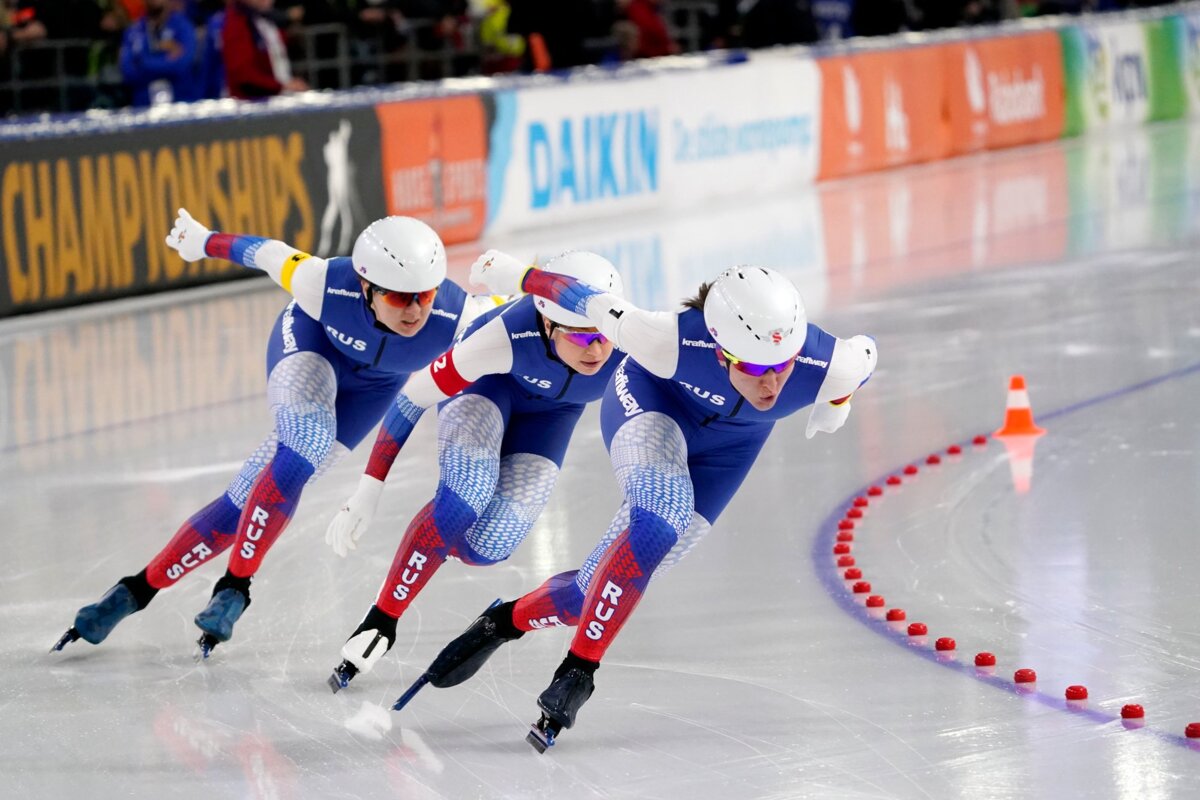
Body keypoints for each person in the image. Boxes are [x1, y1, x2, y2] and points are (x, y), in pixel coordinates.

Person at [405, 253, 877, 751]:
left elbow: (865, 354)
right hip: (653, 405)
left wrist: (838, 401)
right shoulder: (664, 338)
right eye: (756, 367)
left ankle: (504, 622)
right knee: (658, 520)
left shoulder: (832, 365)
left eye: (783, 366)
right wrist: (519, 277)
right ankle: (578, 671)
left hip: (732, 451)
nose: (773, 383)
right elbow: (584, 299)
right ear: (719, 352)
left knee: (592, 593)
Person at [53, 210, 498, 658]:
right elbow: (266, 252)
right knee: (305, 444)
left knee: (246, 500)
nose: (417, 309)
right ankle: (236, 586)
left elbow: (521, 326)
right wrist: (203, 241)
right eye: (401, 299)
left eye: (425, 294)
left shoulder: (460, 315)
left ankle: (134, 591)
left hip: (375, 387)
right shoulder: (321, 283)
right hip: (311, 347)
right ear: (366, 287)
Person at [324, 250, 627, 692]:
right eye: (580, 339)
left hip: (551, 417)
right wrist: (369, 489)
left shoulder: (630, 336)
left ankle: (431, 544)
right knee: (464, 496)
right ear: (547, 325)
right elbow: (411, 400)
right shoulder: (501, 338)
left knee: (490, 546)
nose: (597, 349)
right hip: (486, 388)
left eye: (603, 336)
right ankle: (381, 617)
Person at [119, 0, 200, 107]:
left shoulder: (183, 27)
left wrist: (141, 61)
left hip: (181, 106)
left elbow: (182, 66)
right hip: (143, 107)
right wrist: (166, 59)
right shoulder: (133, 32)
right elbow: (128, 72)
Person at [222, 0, 308, 99]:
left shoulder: (265, 20)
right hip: (253, 105)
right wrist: (282, 86)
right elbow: (243, 75)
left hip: (275, 99)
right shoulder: (237, 22)